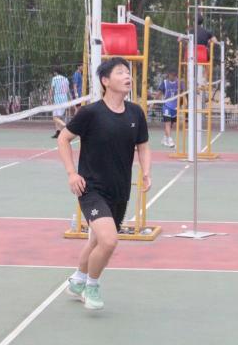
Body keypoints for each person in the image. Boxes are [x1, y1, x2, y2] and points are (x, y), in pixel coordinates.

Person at [59, 57, 151, 311]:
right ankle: (92, 285)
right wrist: (71, 173)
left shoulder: (136, 113)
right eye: (120, 72)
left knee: (96, 241)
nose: (127, 76)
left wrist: (146, 172)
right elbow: (63, 139)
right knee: (109, 241)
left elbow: (143, 146)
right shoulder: (91, 113)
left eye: (128, 72)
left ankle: (77, 281)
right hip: (91, 189)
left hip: (119, 189)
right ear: (105, 81)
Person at [158, 69, 180, 147]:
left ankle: (164, 139)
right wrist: (154, 102)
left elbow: (183, 93)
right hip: (166, 106)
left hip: (175, 107)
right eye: (171, 75)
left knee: (170, 125)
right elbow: (159, 93)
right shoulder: (164, 83)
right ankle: (170, 140)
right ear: (169, 74)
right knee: (168, 123)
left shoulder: (179, 83)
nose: (172, 76)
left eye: (174, 75)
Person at [50, 67, 71, 138]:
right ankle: (58, 132)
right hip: (64, 99)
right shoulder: (66, 79)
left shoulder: (55, 79)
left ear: (55, 72)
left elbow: (52, 90)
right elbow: (68, 91)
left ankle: (66, 126)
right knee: (57, 117)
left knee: (55, 118)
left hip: (58, 100)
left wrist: (50, 99)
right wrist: (70, 100)